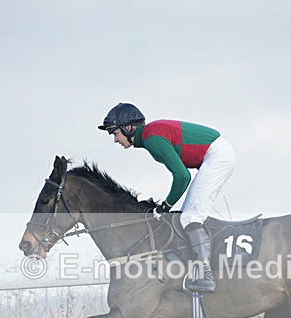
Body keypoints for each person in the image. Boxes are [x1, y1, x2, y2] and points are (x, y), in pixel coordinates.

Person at [98, 103, 235, 293]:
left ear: (128, 128)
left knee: (190, 217)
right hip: (214, 155)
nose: (115, 139)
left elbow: (182, 177)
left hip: (217, 156)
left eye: (115, 133)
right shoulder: (149, 137)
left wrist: (165, 206)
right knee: (186, 216)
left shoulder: (152, 139)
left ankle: (205, 276)